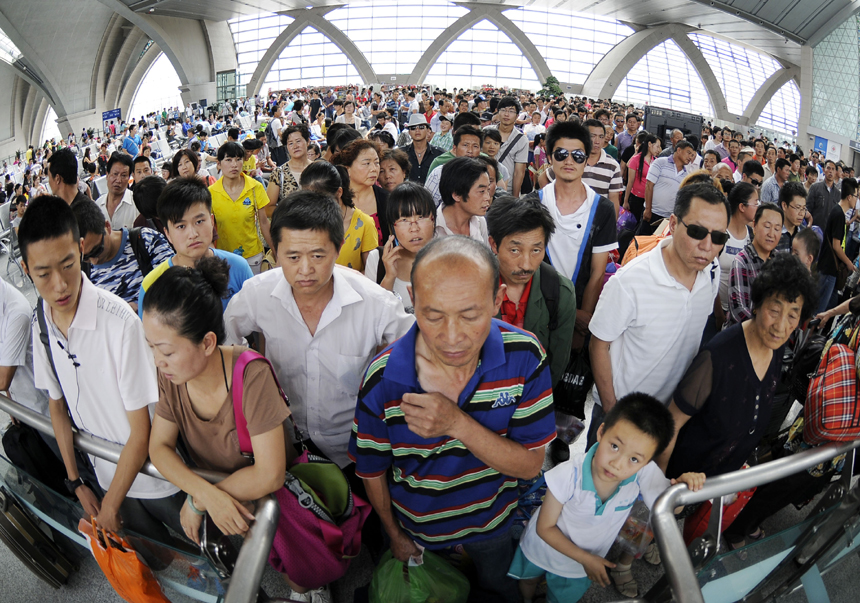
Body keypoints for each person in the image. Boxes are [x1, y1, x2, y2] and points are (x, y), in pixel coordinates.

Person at [349, 236, 557, 603]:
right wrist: (394, 534)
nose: (451, 337)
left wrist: (456, 423)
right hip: (417, 532)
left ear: (497, 300)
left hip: (493, 523)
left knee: (497, 591)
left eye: (470, 315)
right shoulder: (383, 379)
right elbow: (372, 470)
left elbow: (529, 466)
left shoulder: (525, 357)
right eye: (433, 315)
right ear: (412, 299)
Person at [143, 257, 334, 602]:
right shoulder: (172, 376)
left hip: (280, 500)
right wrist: (210, 496)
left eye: (166, 350)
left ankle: (311, 587)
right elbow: (159, 447)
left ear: (207, 342)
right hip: (236, 495)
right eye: (151, 347)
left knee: (301, 565)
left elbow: (271, 474)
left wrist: (201, 499)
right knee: (264, 550)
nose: (157, 360)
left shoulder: (251, 377)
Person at [19, 196, 185, 543]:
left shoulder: (119, 323)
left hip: (158, 478)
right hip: (106, 476)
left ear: (81, 248)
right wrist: (76, 481)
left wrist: (110, 505)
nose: (60, 285)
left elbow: (142, 430)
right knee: (160, 558)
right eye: (43, 274)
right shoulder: (41, 322)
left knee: (212, 555)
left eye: (67, 264)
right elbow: (56, 405)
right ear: (25, 269)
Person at [223, 191, 413, 468]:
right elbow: (228, 343)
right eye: (292, 256)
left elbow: (416, 353)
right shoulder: (257, 294)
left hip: (355, 450)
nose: (305, 269)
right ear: (275, 251)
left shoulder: (375, 303)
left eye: (317, 255)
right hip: (283, 448)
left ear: (338, 248)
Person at [510, 394, 704, 603]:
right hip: (543, 548)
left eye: (634, 459)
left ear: (647, 462)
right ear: (601, 432)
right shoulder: (568, 475)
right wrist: (586, 559)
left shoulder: (643, 472)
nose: (618, 464)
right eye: (615, 446)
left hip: (579, 567)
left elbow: (667, 507)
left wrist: (682, 488)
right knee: (527, 582)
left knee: (561, 598)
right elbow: (544, 528)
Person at [659, 253, 817, 478]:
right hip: (684, 487)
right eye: (774, 311)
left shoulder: (776, 348)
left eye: (793, 316)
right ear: (757, 305)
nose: (781, 326)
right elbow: (671, 423)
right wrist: (664, 487)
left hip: (720, 489)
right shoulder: (717, 357)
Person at [527, 121, 617, 347]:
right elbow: (527, 265)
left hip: (580, 317)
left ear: (587, 160)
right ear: (549, 158)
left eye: (577, 155)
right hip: (536, 312)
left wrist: (581, 320)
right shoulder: (532, 204)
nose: (569, 161)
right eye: (561, 154)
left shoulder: (602, 208)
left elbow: (597, 272)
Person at [486, 195, 576, 388]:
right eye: (515, 250)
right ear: (494, 244)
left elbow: (556, 365)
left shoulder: (560, 293)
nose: (526, 265)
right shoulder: (474, 287)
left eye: (536, 251)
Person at [137, 177, 253, 317]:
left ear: (211, 221)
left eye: (199, 221)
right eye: (181, 226)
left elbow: (257, 325)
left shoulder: (238, 267)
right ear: (167, 234)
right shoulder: (151, 285)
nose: (192, 234)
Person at [73, 199, 173, 312]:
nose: (94, 261)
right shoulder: (81, 273)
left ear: (107, 226)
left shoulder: (146, 241)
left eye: (97, 250)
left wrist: (140, 307)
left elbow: (178, 285)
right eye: (85, 258)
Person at [365, 182, 435, 313]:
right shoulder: (377, 260)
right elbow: (372, 316)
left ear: (433, 220)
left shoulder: (448, 258)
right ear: (392, 226)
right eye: (404, 220)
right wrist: (389, 277)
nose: (414, 228)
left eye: (421, 217)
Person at [300, 161, 377, 272]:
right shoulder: (300, 222)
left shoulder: (364, 224)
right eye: (308, 200)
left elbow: (371, 272)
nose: (314, 206)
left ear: (339, 192)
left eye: (321, 200)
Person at [209, 141, 273, 275]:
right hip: (224, 258)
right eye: (228, 160)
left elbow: (264, 222)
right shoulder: (210, 193)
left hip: (252, 256)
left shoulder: (255, 187)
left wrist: (275, 250)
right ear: (219, 164)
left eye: (238, 159)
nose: (234, 164)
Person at [725, 204, 784, 329]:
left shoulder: (781, 261)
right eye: (767, 226)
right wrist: (768, 328)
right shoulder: (741, 262)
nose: (771, 234)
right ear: (754, 226)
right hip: (746, 334)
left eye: (777, 229)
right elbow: (739, 311)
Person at [715, 182, 757, 326]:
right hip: (715, 311)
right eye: (755, 203)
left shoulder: (751, 235)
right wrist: (718, 313)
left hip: (740, 313)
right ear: (742, 207)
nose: (758, 207)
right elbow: (710, 275)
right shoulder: (721, 233)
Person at [333, 139, 389, 245]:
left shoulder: (386, 199)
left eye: (376, 163)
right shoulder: (336, 199)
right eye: (366, 163)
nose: (374, 169)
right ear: (347, 169)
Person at [816, 177, 859, 314]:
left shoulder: (839, 212)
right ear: (849, 197)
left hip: (832, 269)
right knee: (820, 309)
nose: (857, 200)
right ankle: (809, 334)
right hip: (829, 267)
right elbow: (836, 246)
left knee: (831, 303)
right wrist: (848, 263)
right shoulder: (839, 214)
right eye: (856, 196)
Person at [436, 157, 491, 245]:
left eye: (488, 190)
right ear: (456, 195)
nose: (487, 198)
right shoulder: (433, 227)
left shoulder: (480, 222)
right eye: (481, 191)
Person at [425, 125, 485, 203]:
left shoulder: (484, 175)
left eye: (475, 146)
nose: (470, 150)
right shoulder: (439, 173)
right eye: (465, 145)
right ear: (454, 148)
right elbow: (427, 205)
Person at [644, 140, 696, 225]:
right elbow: (649, 185)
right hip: (652, 212)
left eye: (692, 155)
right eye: (688, 153)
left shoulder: (686, 175)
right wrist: (648, 209)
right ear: (679, 150)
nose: (690, 157)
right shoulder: (660, 162)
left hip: (668, 218)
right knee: (643, 237)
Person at [267, 125, 311, 205]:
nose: (295, 146)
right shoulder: (279, 173)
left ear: (308, 141)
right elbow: (269, 207)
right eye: (290, 143)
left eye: (298, 141)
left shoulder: (318, 169)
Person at [97, 153, 139, 230]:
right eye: (115, 174)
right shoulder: (98, 205)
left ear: (129, 178)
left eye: (123, 175)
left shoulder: (137, 204)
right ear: (107, 175)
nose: (118, 180)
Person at [623, 134, 660, 221]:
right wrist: (625, 201)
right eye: (657, 146)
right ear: (650, 144)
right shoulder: (636, 159)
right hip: (636, 198)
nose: (658, 150)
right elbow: (630, 182)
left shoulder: (656, 161)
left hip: (649, 200)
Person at [402, 114, 442, 186]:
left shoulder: (439, 154)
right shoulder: (401, 153)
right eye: (413, 128)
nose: (417, 130)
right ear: (409, 132)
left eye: (421, 127)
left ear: (428, 130)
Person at [807, 160, 841, 229]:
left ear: (835, 172)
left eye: (833, 169)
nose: (830, 171)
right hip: (814, 229)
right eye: (828, 168)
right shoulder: (815, 187)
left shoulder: (838, 194)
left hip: (829, 232)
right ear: (824, 170)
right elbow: (808, 208)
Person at [777, 181, 810, 253]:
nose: (801, 213)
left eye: (803, 208)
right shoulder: (774, 233)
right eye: (798, 207)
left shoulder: (803, 234)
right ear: (784, 206)